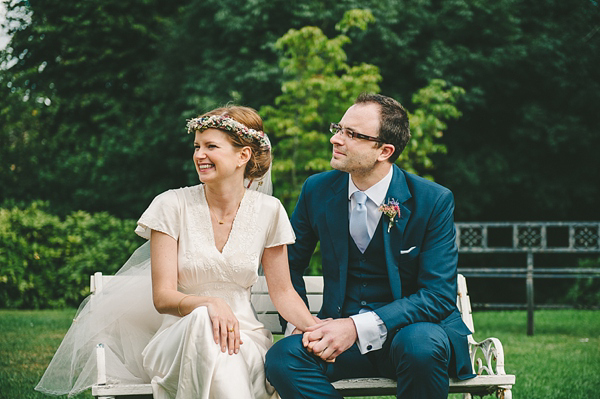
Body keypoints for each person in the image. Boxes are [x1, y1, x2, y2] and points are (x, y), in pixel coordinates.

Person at [36, 105, 316, 399]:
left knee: (226, 358)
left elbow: (283, 292)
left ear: (242, 156)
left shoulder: (269, 211)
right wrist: (209, 303)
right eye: (196, 146)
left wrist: (317, 328)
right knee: (201, 321)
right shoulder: (170, 205)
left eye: (211, 146)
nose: (199, 155)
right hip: (177, 337)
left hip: (244, 338)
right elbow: (163, 298)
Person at [264, 93, 476, 399]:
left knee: (421, 345)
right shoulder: (317, 190)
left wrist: (354, 326)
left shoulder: (432, 200)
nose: (336, 139)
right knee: (283, 357)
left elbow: (437, 296)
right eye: (338, 128)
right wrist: (304, 322)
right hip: (340, 342)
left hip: (410, 336)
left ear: (384, 151)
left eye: (351, 134)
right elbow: (289, 263)